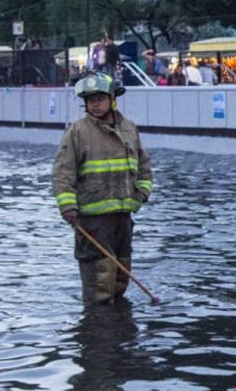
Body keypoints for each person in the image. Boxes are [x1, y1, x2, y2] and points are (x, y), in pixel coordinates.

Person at [52, 72, 153, 304]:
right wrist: (68, 207)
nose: (94, 104)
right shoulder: (78, 132)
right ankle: (97, 329)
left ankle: (119, 329)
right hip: (93, 220)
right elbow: (63, 172)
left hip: (123, 217)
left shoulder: (129, 129)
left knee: (120, 272)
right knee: (99, 277)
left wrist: (142, 192)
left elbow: (144, 164)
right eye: (90, 100)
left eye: (99, 98)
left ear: (112, 98)